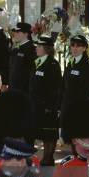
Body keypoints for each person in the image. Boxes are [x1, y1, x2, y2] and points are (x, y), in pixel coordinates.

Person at [29, 35, 61, 166]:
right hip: (36, 105)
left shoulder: (53, 64)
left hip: (48, 106)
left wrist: (52, 106)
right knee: (40, 133)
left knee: (49, 134)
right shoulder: (37, 62)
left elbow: (56, 88)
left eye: (39, 46)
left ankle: (48, 159)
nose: (37, 48)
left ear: (46, 49)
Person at [59, 34, 89, 142]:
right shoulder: (71, 62)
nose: (74, 48)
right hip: (66, 105)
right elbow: (63, 84)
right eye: (73, 45)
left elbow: (88, 89)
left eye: (78, 46)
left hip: (78, 108)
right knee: (66, 139)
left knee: (77, 140)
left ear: (84, 48)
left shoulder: (88, 65)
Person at [8, 22, 36, 92]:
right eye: (15, 31)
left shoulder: (31, 49)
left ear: (26, 34)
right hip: (13, 88)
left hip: (24, 90)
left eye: (18, 32)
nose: (15, 34)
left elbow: (31, 72)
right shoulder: (16, 48)